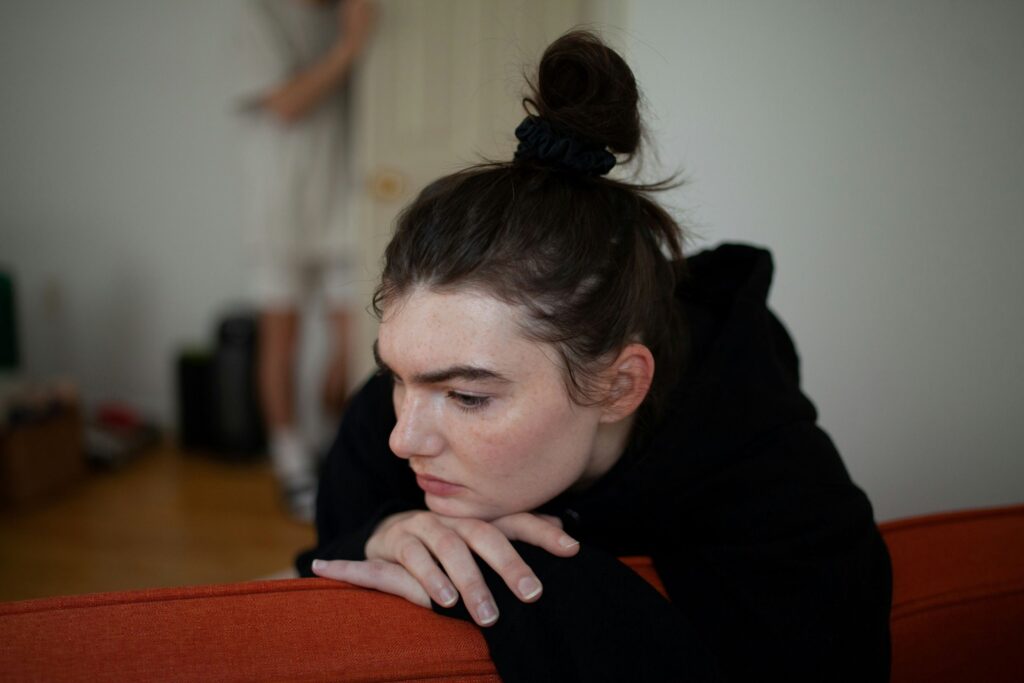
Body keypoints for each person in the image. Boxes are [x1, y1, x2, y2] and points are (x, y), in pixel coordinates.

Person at [296, 30, 892, 681]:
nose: (404, 438)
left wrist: (546, 579)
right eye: (396, 374)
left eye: (467, 396)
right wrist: (382, 532)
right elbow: (326, 554)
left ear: (618, 386)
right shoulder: (385, 417)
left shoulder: (779, 487)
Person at [233, 0, 374, 521]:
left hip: (346, 201)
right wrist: (351, 45)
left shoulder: (354, 9)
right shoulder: (260, 14)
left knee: (356, 339)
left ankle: (334, 445)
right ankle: (290, 459)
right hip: (279, 205)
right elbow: (286, 104)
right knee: (282, 339)